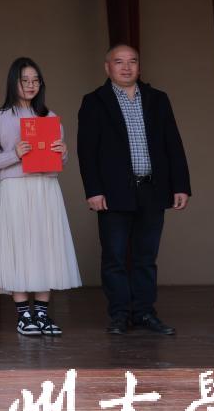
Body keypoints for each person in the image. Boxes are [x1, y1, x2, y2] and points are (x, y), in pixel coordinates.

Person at [77, 43, 190, 335]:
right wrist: (93, 190)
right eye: (119, 61)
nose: (126, 67)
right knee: (114, 258)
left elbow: (173, 144)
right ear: (107, 67)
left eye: (132, 61)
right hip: (113, 192)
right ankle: (119, 315)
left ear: (139, 66)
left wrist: (180, 185)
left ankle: (144, 313)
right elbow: (86, 151)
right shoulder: (94, 101)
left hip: (152, 189)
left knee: (146, 258)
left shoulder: (157, 99)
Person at [0, 57, 81, 335]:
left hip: (45, 188)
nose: (30, 85)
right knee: (18, 248)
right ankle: (24, 314)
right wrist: (15, 154)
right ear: (13, 83)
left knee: (46, 246)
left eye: (36, 80)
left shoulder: (49, 117)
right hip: (14, 189)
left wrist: (63, 152)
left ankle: (43, 314)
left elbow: (59, 162)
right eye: (24, 80)